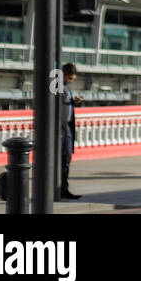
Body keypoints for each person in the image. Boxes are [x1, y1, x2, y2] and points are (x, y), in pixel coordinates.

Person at [60, 62, 82, 200]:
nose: (71, 81)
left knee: (66, 158)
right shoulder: (57, 86)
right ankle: (60, 188)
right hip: (60, 128)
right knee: (61, 159)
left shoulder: (67, 88)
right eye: (70, 78)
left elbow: (65, 105)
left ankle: (64, 188)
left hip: (67, 126)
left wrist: (75, 102)